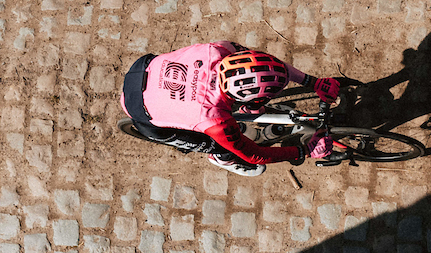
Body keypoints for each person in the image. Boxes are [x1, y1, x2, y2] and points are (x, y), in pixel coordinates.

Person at [119, 41, 342, 176]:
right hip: (141, 112)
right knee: (222, 147)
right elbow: (256, 155)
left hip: (143, 68)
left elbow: (267, 64)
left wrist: (312, 82)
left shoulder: (220, 49)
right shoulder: (214, 119)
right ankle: (222, 160)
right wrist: (305, 151)